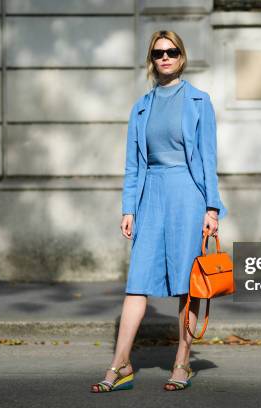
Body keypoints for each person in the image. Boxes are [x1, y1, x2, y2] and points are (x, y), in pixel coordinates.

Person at [90, 30, 227, 393]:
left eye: (171, 51)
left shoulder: (199, 101)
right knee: (137, 283)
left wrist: (212, 208)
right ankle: (120, 364)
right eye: (157, 53)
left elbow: (208, 160)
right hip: (151, 197)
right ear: (151, 61)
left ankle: (182, 361)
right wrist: (128, 208)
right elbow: (134, 165)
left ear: (182, 56)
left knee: (188, 284)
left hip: (189, 196)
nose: (164, 57)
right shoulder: (141, 107)